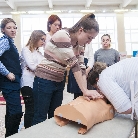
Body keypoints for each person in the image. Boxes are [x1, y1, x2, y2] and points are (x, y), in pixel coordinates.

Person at [32, 13, 103, 126]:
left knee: (54, 115)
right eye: (89, 37)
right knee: (40, 116)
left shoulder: (80, 46)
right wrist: (85, 91)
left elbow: (82, 68)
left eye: (92, 39)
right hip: (44, 80)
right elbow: (74, 65)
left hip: (58, 81)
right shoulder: (63, 35)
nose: (89, 42)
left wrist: (85, 91)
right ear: (80, 30)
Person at [0, 18, 23, 137]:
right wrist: (7, 73)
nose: (13, 30)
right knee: (16, 112)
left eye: (14, 27)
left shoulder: (10, 42)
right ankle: (11, 134)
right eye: (9, 28)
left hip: (13, 82)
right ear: (3, 30)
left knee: (10, 111)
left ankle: (9, 135)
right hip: (8, 82)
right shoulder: (4, 41)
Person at [20, 30, 46, 128]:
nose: (43, 42)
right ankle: (28, 132)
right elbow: (32, 66)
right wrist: (40, 67)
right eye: (42, 39)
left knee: (35, 109)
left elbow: (46, 64)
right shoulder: (26, 49)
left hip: (36, 83)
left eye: (44, 40)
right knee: (30, 109)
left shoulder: (38, 53)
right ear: (35, 38)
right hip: (27, 83)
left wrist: (38, 67)